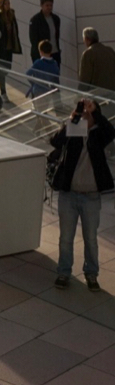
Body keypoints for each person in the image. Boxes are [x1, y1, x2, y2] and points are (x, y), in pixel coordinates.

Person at [49, 98, 115, 290]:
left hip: (91, 196)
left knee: (91, 239)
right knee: (66, 238)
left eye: (88, 114)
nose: (85, 116)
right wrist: (72, 120)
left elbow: (111, 132)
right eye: (82, 113)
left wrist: (97, 114)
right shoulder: (73, 131)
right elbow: (55, 141)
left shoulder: (99, 135)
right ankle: (63, 272)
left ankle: (91, 274)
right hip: (69, 195)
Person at [0, 0, 22, 100]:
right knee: (2, 69)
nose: (8, 5)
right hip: (1, 47)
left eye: (9, 3)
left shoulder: (11, 14)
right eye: (6, 4)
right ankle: (3, 93)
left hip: (10, 45)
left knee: (7, 69)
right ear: (1, 4)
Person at [79, 28, 115, 95]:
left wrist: (80, 95)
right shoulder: (109, 50)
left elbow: (85, 78)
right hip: (112, 92)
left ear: (87, 39)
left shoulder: (88, 53)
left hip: (97, 94)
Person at [30, 0, 61, 66]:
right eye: (47, 5)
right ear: (41, 5)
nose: (49, 7)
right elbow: (33, 39)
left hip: (54, 52)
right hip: (42, 54)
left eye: (51, 5)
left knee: (55, 75)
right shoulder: (35, 20)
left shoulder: (56, 19)